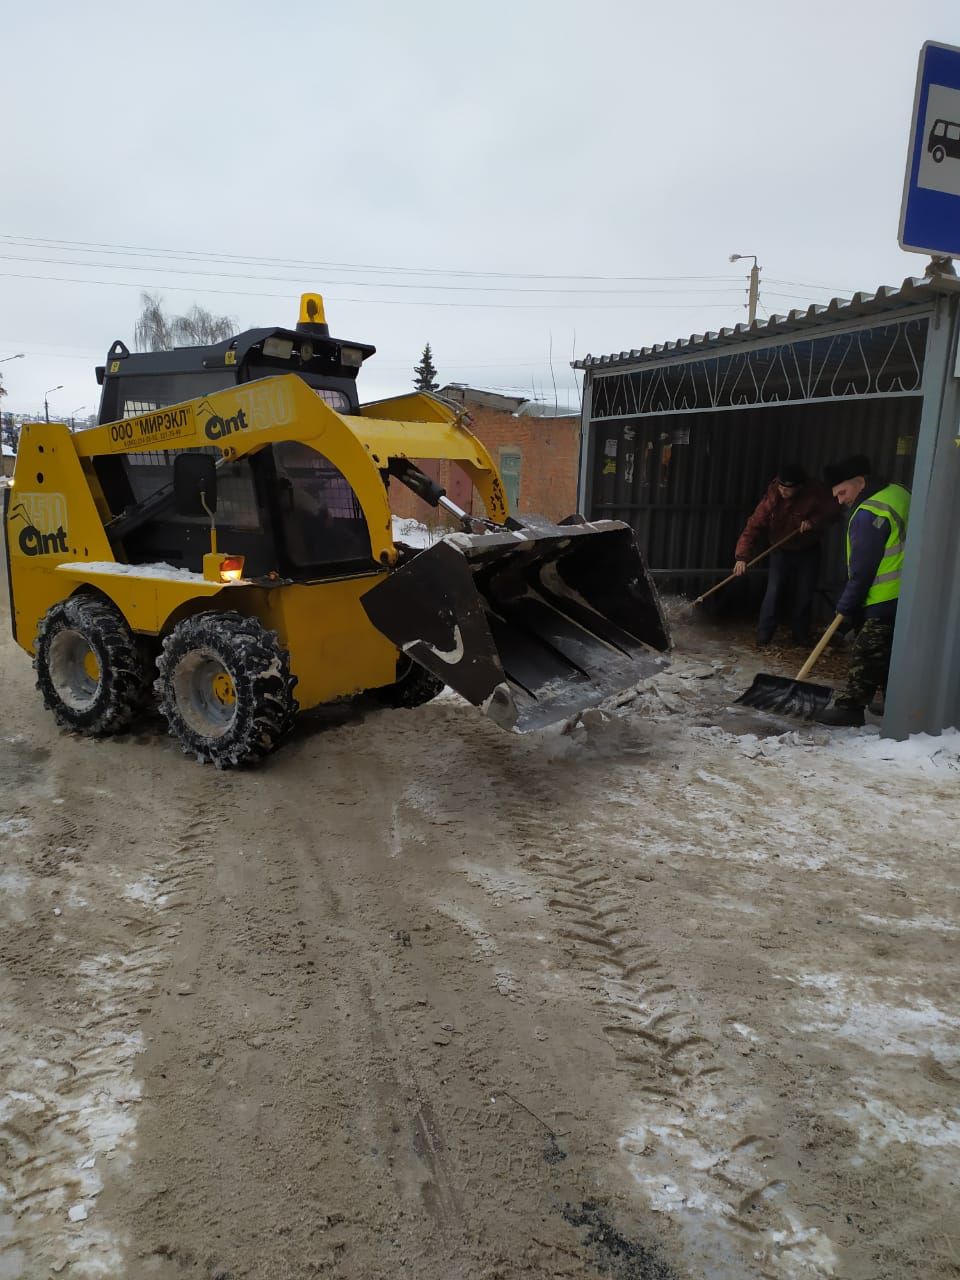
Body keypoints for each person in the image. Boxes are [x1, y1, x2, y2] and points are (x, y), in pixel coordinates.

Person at [814, 454, 911, 727]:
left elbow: (863, 571)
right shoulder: (899, 492)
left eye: (842, 492)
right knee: (891, 652)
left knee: (867, 652)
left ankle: (850, 708)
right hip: (910, 592)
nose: (840, 500)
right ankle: (894, 701)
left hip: (885, 595)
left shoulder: (870, 512)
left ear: (859, 482)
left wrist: (845, 607)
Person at [733, 463, 841, 649]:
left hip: (808, 550)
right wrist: (742, 557)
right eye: (781, 487)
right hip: (780, 550)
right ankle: (763, 637)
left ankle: (800, 637)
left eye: (787, 489)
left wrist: (814, 522)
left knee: (804, 593)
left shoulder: (816, 492)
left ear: (799, 487)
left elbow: (833, 511)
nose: (782, 491)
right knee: (774, 592)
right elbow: (753, 527)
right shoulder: (772, 497)